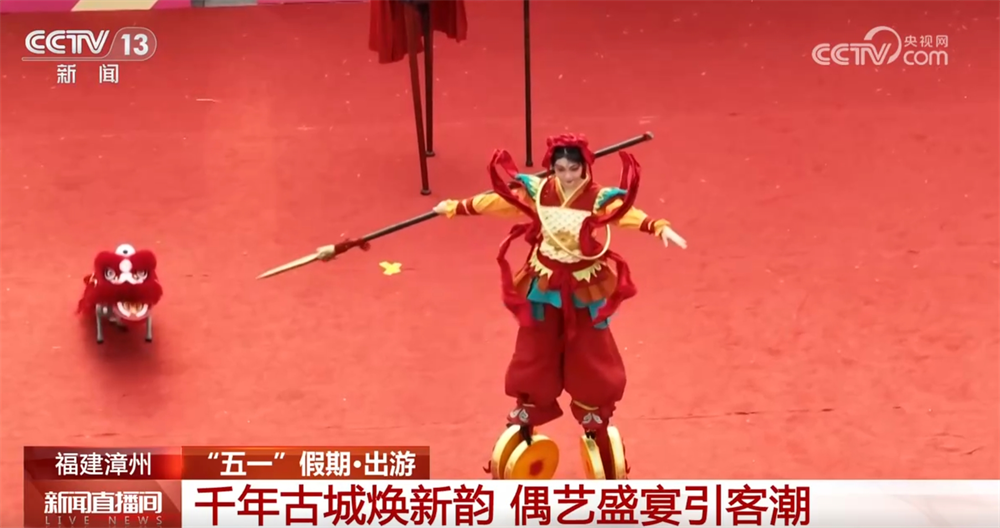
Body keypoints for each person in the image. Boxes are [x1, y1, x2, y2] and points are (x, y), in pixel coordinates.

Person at [432, 134, 687, 480]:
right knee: (534, 347)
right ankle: (528, 411)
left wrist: (657, 227)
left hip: (583, 284)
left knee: (591, 349)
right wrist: (455, 207)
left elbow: (624, 213)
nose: (567, 176)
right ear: (552, 167)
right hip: (544, 282)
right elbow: (499, 201)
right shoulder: (538, 192)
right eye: (561, 168)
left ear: (585, 167)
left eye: (573, 169)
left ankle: (594, 418)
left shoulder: (597, 198)